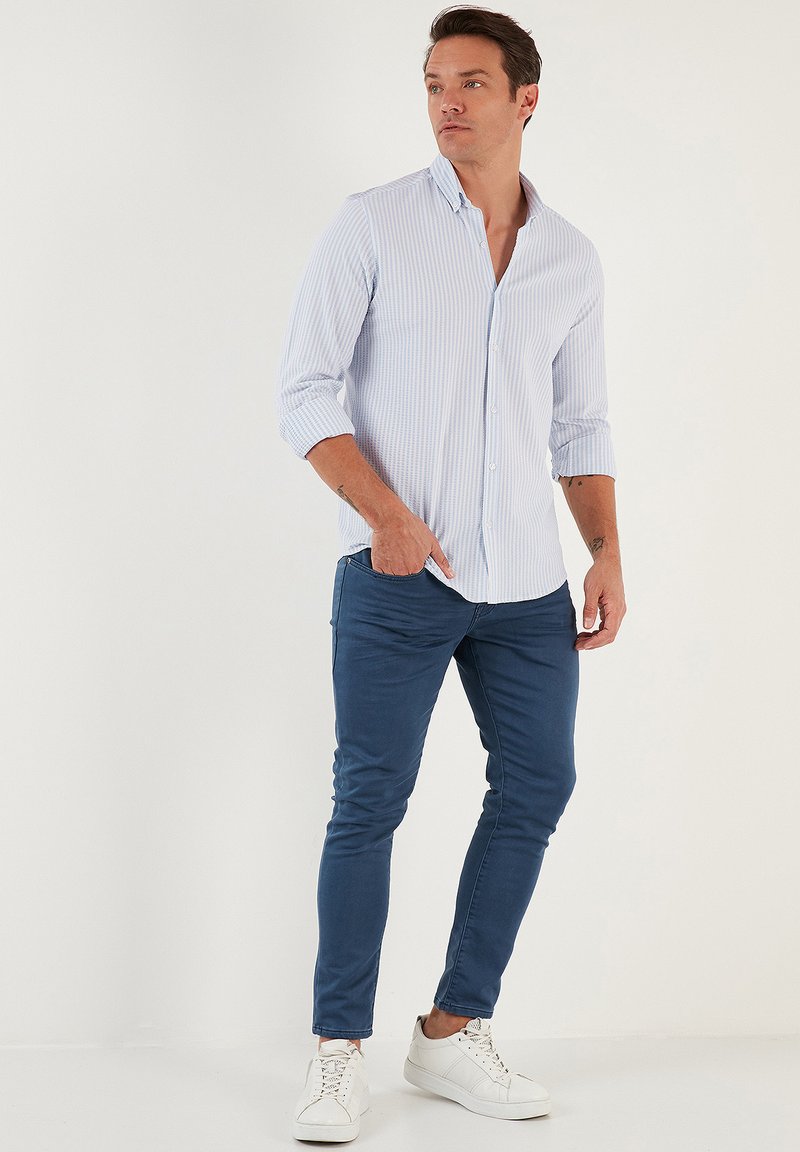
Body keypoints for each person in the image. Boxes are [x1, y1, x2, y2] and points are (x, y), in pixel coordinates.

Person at [276, 5, 626, 1142]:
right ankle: (337, 1053)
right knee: (369, 800)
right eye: (433, 83)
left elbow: (580, 424)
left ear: (526, 99)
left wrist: (605, 552)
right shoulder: (373, 223)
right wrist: (385, 516)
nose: (447, 102)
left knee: (538, 787)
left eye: (471, 82)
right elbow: (303, 391)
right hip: (398, 578)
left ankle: (451, 1029)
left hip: (525, 583)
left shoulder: (569, 258)